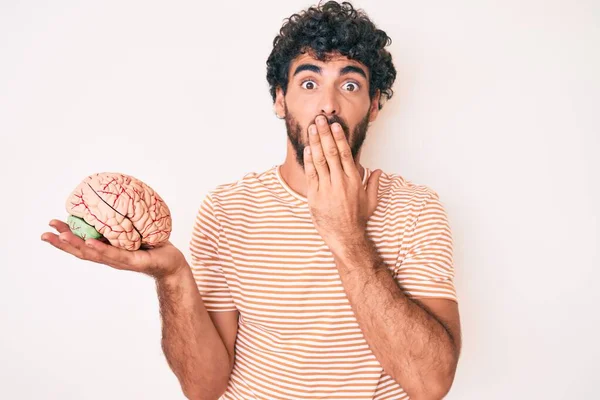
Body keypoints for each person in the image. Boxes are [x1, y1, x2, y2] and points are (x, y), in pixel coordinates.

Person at [41, 1, 462, 399]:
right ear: (281, 99)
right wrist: (171, 276)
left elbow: (430, 384)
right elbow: (203, 388)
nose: (328, 105)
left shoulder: (415, 209)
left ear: (372, 106)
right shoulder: (228, 209)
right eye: (309, 82)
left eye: (349, 84)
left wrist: (347, 235)